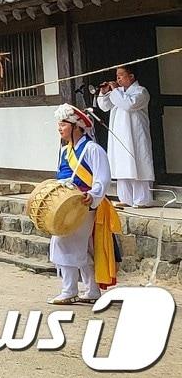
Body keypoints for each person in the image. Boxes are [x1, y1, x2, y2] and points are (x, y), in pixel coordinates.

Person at [49, 104, 121, 305]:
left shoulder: (92, 149)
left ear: (76, 126)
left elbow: (102, 178)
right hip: (67, 206)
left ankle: (69, 289)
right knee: (83, 247)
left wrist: (93, 195)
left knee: (65, 243)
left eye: (63, 124)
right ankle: (92, 290)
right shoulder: (65, 151)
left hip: (83, 205)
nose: (60, 128)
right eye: (59, 124)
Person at [95, 65, 155, 207]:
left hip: (135, 134)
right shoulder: (118, 92)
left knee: (138, 163)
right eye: (117, 76)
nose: (118, 79)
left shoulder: (141, 91)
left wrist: (115, 90)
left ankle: (143, 200)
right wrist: (104, 93)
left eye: (121, 75)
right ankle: (126, 199)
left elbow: (128, 104)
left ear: (131, 76)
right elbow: (105, 107)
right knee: (122, 164)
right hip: (119, 134)